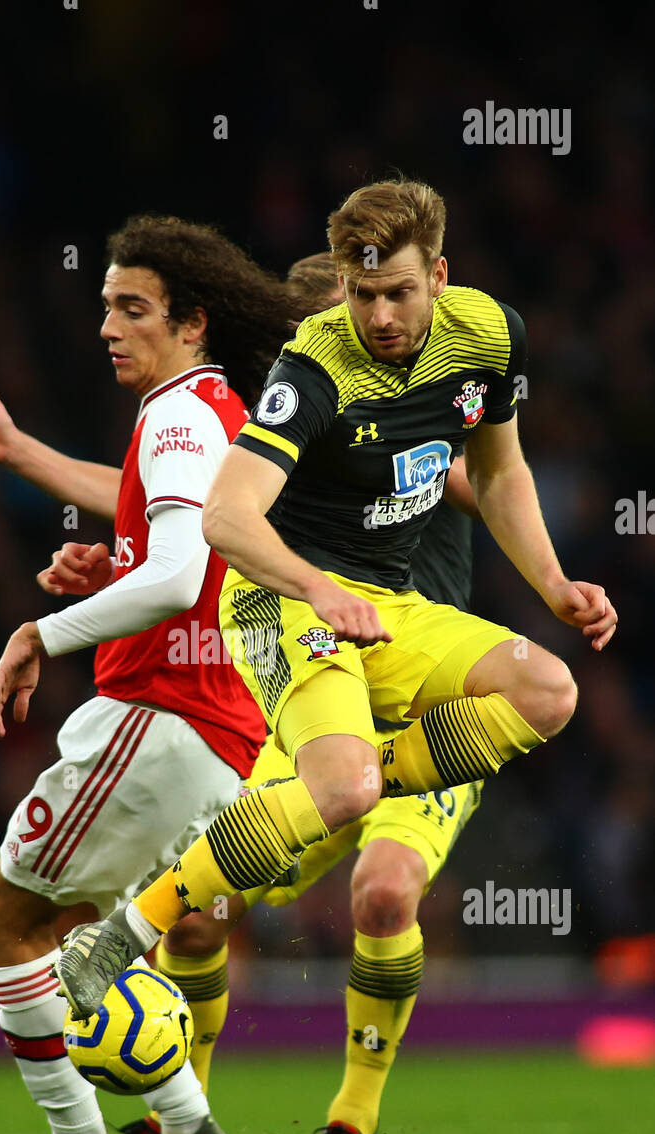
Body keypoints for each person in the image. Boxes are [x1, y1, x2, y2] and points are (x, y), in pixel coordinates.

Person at [50, 178, 617, 1054]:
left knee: (549, 691)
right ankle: (123, 935)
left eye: (397, 292)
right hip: (284, 601)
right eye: (362, 295)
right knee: (341, 794)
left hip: (384, 606)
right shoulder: (313, 366)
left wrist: (553, 585)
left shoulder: (491, 334)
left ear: (440, 274)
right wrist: (317, 588)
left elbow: (499, 472)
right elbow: (225, 518)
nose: (379, 316)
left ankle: (336, 789)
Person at [0, 213, 292, 1134]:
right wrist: (113, 556)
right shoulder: (212, 409)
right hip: (209, 725)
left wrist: (37, 634)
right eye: (103, 306)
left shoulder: (178, 416)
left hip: (161, 715)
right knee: (89, 943)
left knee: (9, 917)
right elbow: (171, 543)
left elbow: (179, 576)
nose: (107, 326)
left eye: (131, 309)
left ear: (191, 324)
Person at [116, 253, 484, 1134]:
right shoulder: (293, 441)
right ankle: (185, 1129)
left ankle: (349, 1128)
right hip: (320, 704)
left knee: (385, 894)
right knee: (198, 912)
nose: (316, 361)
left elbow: (479, 471)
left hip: (430, 717)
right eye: (305, 343)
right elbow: (207, 514)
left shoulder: (424, 411)